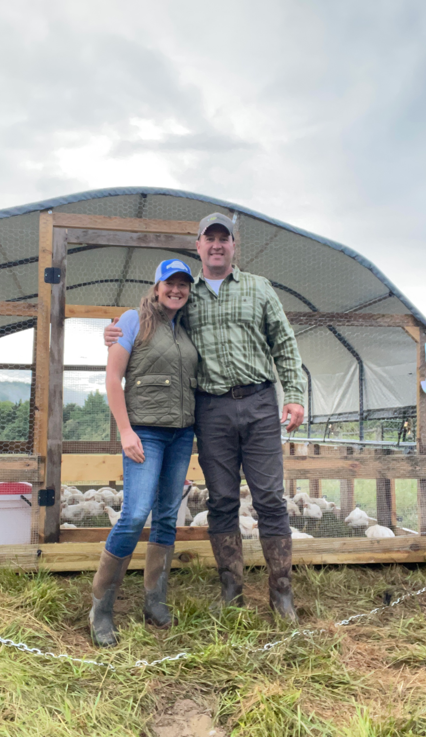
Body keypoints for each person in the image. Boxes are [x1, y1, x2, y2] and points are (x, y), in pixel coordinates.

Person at [105, 213, 306, 622]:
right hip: (210, 409)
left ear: (234, 246)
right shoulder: (186, 295)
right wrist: (112, 331)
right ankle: (231, 591)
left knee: (269, 497)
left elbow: (283, 341)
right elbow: (149, 321)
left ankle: (280, 592)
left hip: (259, 402)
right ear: (197, 246)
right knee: (223, 500)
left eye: (224, 238)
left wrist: (295, 395)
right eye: (208, 238)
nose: (216, 245)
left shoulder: (259, 288)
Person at [89, 259, 199, 647]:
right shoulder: (133, 320)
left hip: (181, 433)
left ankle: (155, 600)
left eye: (183, 284)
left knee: (167, 515)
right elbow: (112, 377)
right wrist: (125, 431)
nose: (177, 289)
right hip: (144, 434)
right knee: (135, 513)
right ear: (156, 287)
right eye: (170, 283)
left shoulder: (187, 327)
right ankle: (101, 607)